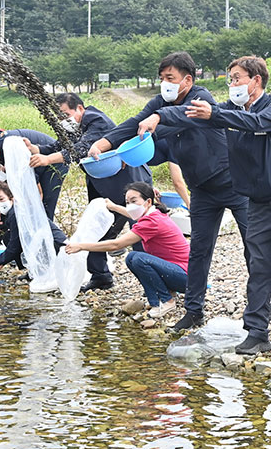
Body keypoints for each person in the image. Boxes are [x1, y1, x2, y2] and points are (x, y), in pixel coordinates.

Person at [155, 56, 271, 354]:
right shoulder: (228, 111)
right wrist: (156, 119)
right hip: (258, 202)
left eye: (236, 78)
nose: (232, 84)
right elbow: (190, 114)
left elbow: (256, 123)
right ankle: (257, 331)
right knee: (259, 267)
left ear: (256, 80)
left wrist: (215, 116)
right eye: (230, 79)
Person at [88, 52, 252, 332]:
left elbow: (183, 117)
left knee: (254, 244)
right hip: (201, 189)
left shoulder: (202, 99)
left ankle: (260, 305)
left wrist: (157, 117)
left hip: (232, 183)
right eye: (162, 78)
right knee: (199, 250)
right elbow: (134, 123)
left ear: (187, 80)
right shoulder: (160, 103)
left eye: (170, 78)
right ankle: (193, 310)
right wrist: (105, 143)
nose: (165, 83)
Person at [28, 93, 152, 291]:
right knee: (96, 224)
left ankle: (153, 279)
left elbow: (83, 149)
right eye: (59, 117)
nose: (64, 121)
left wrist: (48, 160)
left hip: (128, 180)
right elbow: (56, 146)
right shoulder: (73, 127)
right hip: (100, 181)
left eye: (66, 114)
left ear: (80, 109)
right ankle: (101, 276)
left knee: (140, 228)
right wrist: (36, 148)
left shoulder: (96, 120)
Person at [66, 182, 190, 318]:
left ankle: (166, 301)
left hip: (187, 279)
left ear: (148, 202)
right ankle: (165, 294)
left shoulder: (151, 222)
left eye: (134, 201)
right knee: (135, 258)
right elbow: (133, 215)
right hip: (184, 275)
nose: (130, 206)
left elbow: (116, 245)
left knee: (136, 258)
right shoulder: (154, 214)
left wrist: (81, 246)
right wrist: (113, 206)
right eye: (127, 202)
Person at [0, 181, 66, 273]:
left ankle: (41, 271)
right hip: (46, 244)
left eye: (1, 199)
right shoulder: (12, 212)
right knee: (7, 237)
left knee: (13, 241)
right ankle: (30, 270)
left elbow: (15, 246)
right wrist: (2, 261)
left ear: (11, 198)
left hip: (54, 244)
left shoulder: (16, 213)